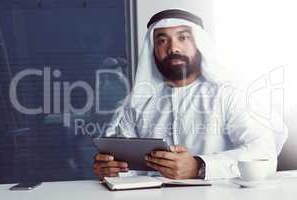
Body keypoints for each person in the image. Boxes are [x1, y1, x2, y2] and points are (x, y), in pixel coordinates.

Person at [93, 9, 287, 180]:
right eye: (162, 40)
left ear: (199, 43)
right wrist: (112, 169)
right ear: (153, 50)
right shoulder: (136, 103)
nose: (173, 48)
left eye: (183, 37)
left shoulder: (229, 95)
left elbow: (263, 154)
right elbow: (129, 167)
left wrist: (199, 166)